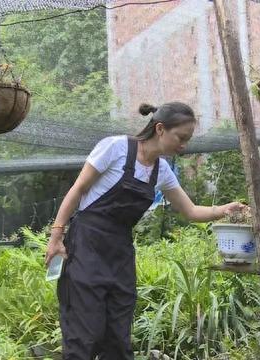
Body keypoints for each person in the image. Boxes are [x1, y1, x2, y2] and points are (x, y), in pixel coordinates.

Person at [45, 101, 247, 360]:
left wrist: (225, 209)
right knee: (85, 335)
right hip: (86, 246)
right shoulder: (115, 148)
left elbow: (191, 211)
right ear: (160, 128)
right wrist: (56, 236)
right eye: (181, 138)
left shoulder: (162, 171)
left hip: (119, 254)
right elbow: (78, 190)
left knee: (118, 337)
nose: (183, 146)